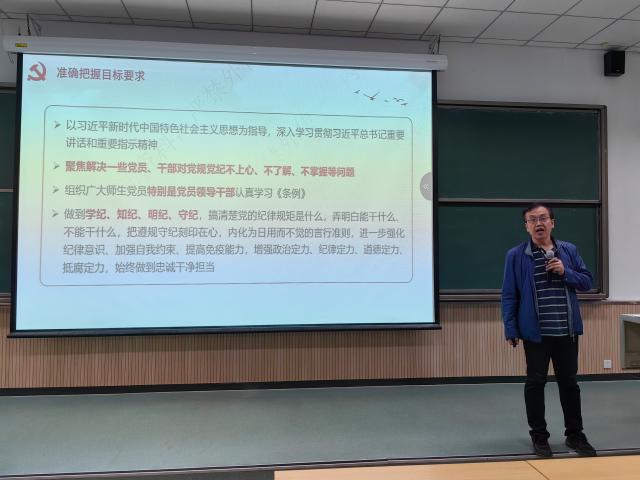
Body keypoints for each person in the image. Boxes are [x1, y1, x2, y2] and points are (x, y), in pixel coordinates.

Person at [501, 203, 597, 458]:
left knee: (569, 383)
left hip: (566, 330)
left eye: (543, 218)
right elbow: (509, 294)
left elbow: (587, 282)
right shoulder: (516, 255)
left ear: (552, 223)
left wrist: (566, 272)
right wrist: (510, 328)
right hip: (536, 333)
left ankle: (575, 435)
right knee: (535, 383)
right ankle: (539, 436)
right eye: (532, 220)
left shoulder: (569, 250)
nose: (538, 223)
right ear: (526, 226)